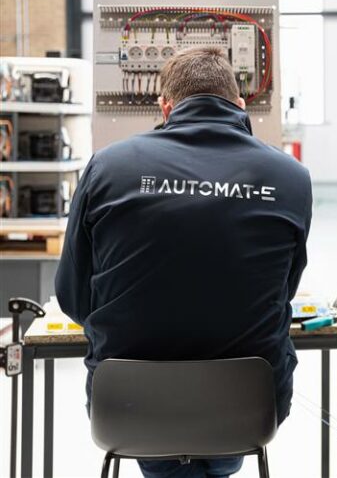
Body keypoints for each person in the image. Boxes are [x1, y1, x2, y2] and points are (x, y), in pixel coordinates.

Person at [56, 46, 312, 477]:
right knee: (215, 441)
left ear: (166, 107)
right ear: (240, 105)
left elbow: (73, 297)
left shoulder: (107, 167)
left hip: (130, 403)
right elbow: (280, 291)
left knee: (168, 447)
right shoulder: (289, 177)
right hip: (246, 404)